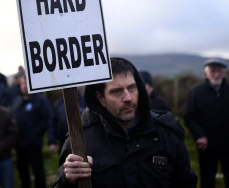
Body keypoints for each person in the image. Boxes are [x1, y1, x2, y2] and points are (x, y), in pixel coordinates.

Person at [53, 57, 197, 188]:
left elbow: (186, 183)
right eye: (116, 91)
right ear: (100, 98)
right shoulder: (80, 139)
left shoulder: (166, 132)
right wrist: (68, 180)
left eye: (131, 88)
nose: (128, 97)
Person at [185, 59, 229, 188]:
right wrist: (200, 135)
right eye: (213, 71)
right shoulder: (195, 92)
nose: (216, 75)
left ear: (224, 73)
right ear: (206, 74)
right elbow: (189, 117)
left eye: (219, 71)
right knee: (207, 180)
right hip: (207, 146)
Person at [12, 75, 57, 188]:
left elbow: (47, 118)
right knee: (23, 172)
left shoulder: (40, 100)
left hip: (34, 144)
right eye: (23, 84)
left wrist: (38, 134)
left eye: (28, 84)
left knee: (38, 172)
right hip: (19, 144)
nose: (25, 86)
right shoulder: (17, 100)